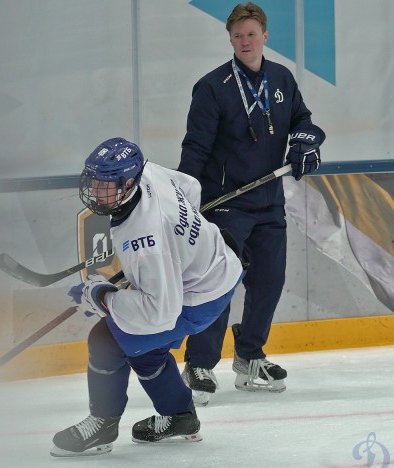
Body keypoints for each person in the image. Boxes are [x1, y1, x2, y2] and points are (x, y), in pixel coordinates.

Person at [50, 137, 244, 457]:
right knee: (144, 348)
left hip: (201, 296)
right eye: (94, 181)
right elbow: (191, 186)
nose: (96, 191)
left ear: (128, 183)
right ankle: (179, 416)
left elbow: (160, 314)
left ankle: (102, 425)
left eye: (105, 185)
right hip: (217, 266)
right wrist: (179, 249)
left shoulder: (145, 240)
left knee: (107, 340)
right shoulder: (147, 173)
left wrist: (102, 297)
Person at [177, 2, 325, 406]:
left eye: (251, 34)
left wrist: (307, 140)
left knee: (269, 281)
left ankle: (249, 354)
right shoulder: (212, 87)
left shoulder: (281, 78)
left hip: (267, 202)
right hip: (224, 204)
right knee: (220, 285)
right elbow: (195, 147)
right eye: (238, 35)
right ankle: (200, 362)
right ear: (230, 39)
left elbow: (303, 121)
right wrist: (184, 200)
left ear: (265, 36)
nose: (245, 41)